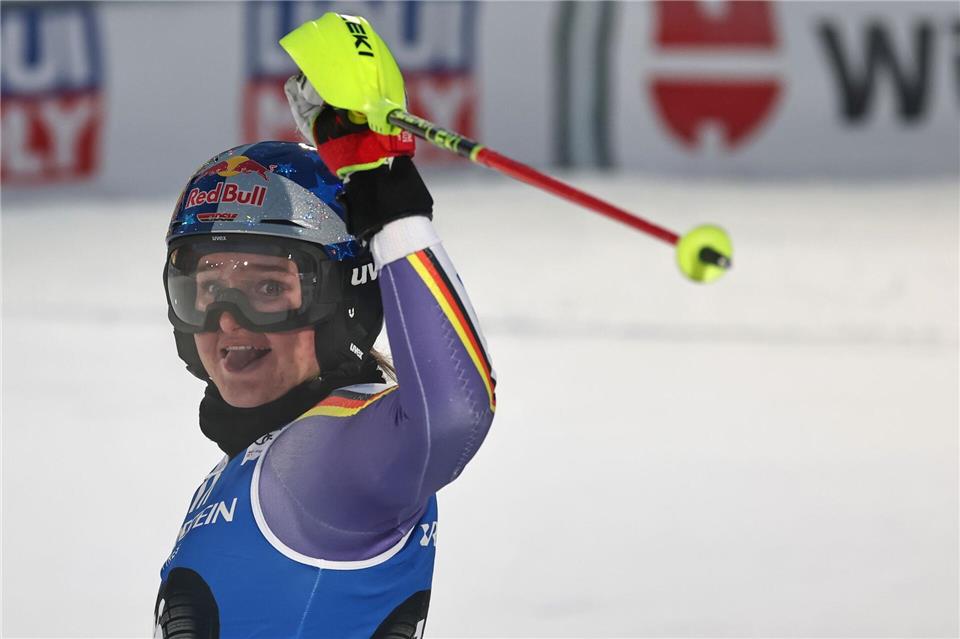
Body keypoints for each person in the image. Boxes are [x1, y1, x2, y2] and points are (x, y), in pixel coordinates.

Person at [154, 71, 496, 637]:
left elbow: (454, 412)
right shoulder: (264, 460)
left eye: (269, 290)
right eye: (207, 292)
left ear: (347, 300)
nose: (229, 320)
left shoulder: (325, 457)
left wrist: (389, 202)